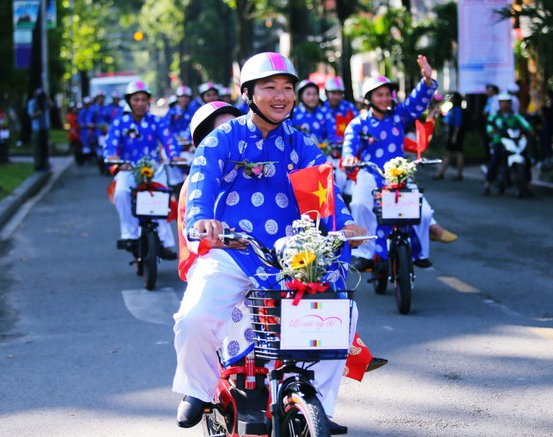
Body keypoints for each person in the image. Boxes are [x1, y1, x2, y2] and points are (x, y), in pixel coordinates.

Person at [172, 52, 366, 434]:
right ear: (248, 93)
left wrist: (344, 225)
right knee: (193, 318)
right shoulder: (222, 138)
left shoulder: (302, 142)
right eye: (269, 88)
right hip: (233, 252)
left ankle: (318, 406)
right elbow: (201, 181)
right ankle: (199, 388)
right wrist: (200, 221)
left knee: (341, 317)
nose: (281, 96)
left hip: (293, 257)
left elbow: (326, 190)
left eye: (288, 88)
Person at [342, 55, 454, 269]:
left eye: (387, 94)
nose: (385, 98)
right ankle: (365, 254)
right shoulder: (359, 123)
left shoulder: (399, 115)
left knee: (426, 212)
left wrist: (427, 81)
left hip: (399, 174)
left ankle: (420, 252)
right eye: (379, 95)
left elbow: (416, 101)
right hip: (369, 174)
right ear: (369, 98)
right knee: (358, 204)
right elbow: (350, 142)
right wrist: (349, 156)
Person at [103, 81, 182, 260]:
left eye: (143, 99)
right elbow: (110, 146)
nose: (139, 103)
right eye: (136, 99)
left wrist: (175, 156)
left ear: (148, 101)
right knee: (121, 191)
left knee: (162, 198)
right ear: (129, 101)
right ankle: (129, 234)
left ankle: (165, 241)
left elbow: (169, 140)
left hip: (154, 169)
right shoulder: (120, 122)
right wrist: (114, 159)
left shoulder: (157, 122)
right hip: (128, 169)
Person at [483, 92, 534, 196]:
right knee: (495, 159)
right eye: (503, 102)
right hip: (499, 141)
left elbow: (526, 125)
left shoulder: (515, 116)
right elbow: (489, 127)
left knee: (526, 158)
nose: (505, 105)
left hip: (514, 141)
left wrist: (530, 130)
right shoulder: (495, 117)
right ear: (500, 103)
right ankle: (487, 184)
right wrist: (492, 131)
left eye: (507, 102)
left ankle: (527, 185)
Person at [433, 92, 464, 180]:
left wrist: (454, 135)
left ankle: (453, 173)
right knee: (451, 153)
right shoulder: (452, 108)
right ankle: (442, 172)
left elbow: (458, 123)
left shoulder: (457, 110)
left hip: (455, 133)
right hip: (452, 132)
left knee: (455, 152)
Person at [27, 88, 51, 171]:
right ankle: (38, 164)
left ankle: (45, 163)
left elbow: (51, 105)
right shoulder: (32, 103)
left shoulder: (44, 103)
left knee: (45, 147)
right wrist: (37, 113)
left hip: (44, 128)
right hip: (37, 128)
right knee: (37, 148)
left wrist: (46, 98)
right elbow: (30, 115)